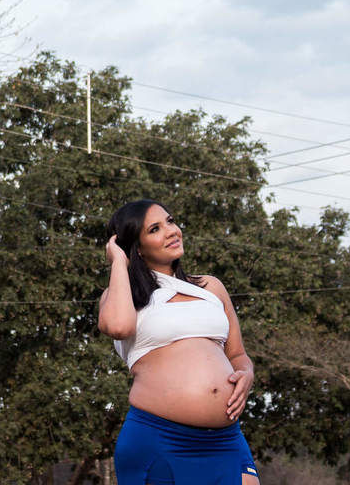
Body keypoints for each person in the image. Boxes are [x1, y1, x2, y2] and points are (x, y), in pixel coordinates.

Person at [98, 198, 260, 485]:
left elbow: (237, 354)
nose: (172, 231)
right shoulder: (123, 297)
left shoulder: (210, 287)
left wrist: (246, 374)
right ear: (136, 247)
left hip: (226, 440)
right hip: (158, 439)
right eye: (155, 229)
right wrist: (119, 262)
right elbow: (118, 327)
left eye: (170, 221)